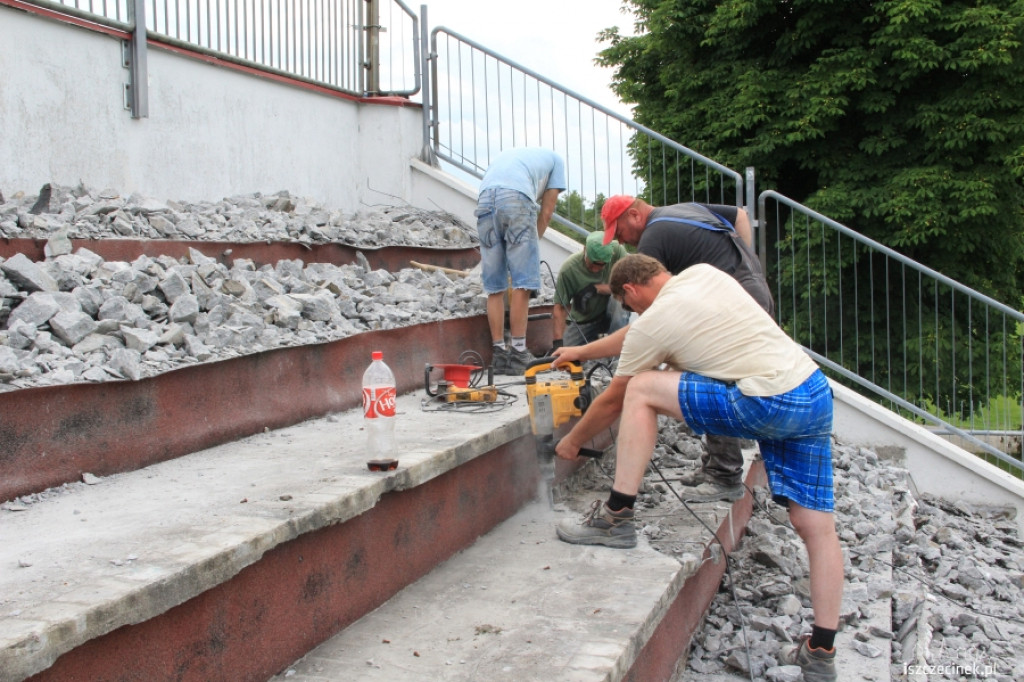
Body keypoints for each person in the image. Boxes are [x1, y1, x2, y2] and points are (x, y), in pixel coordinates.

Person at [552, 254, 842, 682]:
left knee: (641, 389)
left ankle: (616, 515)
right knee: (816, 525)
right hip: (812, 392)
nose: (635, 315)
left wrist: (572, 442)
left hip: (765, 399)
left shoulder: (654, 321)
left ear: (630, 290)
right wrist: (580, 350)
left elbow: (615, 396)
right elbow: (639, 334)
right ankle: (821, 652)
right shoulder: (702, 275)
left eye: (630, 306)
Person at [598, 194, 774, 502]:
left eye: (620, 231)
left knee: (711, 376)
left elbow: (650, 317)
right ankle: (717, 464)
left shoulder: (652, 238)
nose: (622, 241)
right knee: (713, 373)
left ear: (634, 215)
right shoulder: (684, 209)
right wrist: (743, 270)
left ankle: (724, 474)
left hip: (733, 300)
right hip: (752, 286)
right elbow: (740, 216)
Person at [475, 147, 567, 375]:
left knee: (494, 287)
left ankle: (498, 354)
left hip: (485, 199)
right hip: (516, 199)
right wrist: (531, 247)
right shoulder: (556, 162)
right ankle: (518, 353)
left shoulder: (515, 158)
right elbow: (547, 212)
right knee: (523, 283)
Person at [552, 231, 630, 348]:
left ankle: (616, 350)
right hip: (585, 320)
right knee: (567, 350)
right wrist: (558, 343)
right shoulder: (569, 269)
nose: (595, 269)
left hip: (611, 315)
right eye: (593, 264)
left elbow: (628, 287)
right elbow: (560, 308)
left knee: (620, 299)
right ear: (585, 250)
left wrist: (596, 288)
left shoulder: (618, 252)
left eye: (602, 265)